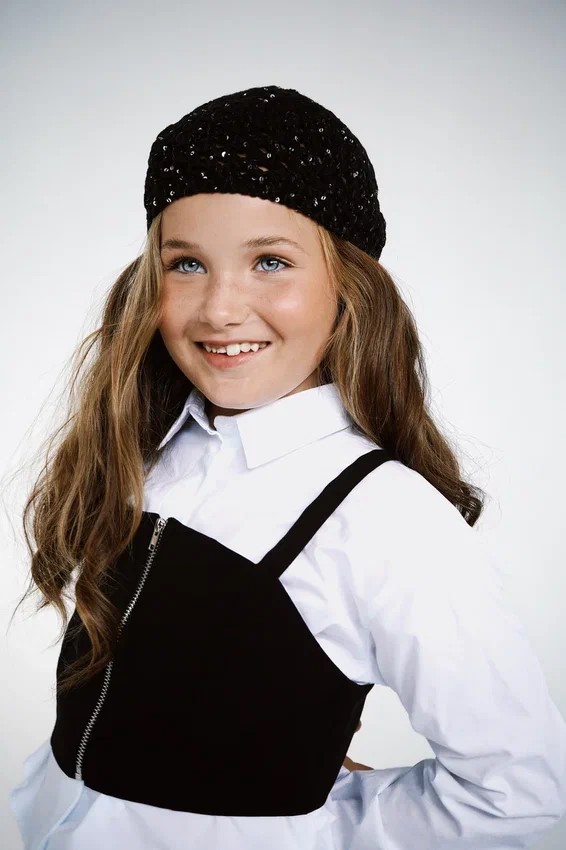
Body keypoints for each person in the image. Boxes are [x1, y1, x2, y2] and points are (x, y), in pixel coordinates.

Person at [8, 84, 566, 850]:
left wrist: (327, 825)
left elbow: (520, 795)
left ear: (349, 285)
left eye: (270, 262)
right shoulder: (156, 450)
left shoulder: (388, 518)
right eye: (186, 264)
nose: (219, 309)